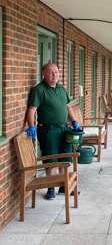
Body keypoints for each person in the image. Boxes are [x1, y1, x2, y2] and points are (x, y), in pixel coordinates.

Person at [25, 63, 82, 200]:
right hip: (48, 130)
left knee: (65, 157)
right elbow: (32, 110)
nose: (54, 75)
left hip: (64, 128)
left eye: (56, 72)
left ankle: (64, 185)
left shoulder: (61, 88)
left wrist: (75, 121)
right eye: (51, 72)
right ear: (44, 73)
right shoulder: (39, 90)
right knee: (51, 158)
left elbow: (68, 106)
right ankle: (51, 188)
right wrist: (31, 125)